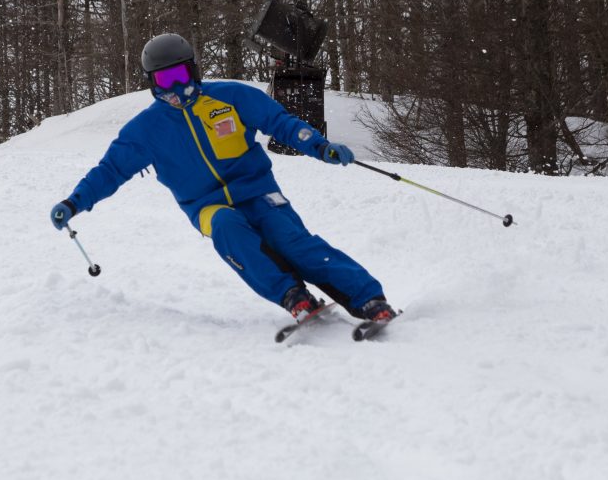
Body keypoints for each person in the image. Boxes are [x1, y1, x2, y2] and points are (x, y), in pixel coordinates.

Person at [49, 33, 396, 324]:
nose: (176, 88)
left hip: (258, 191)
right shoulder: (145, 130)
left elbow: (280, 122)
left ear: (194, 71)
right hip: (206, 206)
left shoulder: (230, 97)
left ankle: (368, 299)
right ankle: (293, 296)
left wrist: (319, 146)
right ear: (152, 84)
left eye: (181, 75)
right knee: (228, 227)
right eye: (165, 81)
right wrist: (74, 202)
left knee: (290, 239)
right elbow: (110, 171)